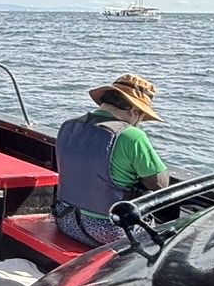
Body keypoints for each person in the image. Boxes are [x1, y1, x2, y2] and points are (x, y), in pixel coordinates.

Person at [54, 73, 169, 246]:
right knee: (171, 234)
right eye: (141, 117)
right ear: (134, 111)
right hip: (108, 231)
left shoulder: (68, 125)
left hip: (65, 220)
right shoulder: (132, 136)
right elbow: (160, 183)